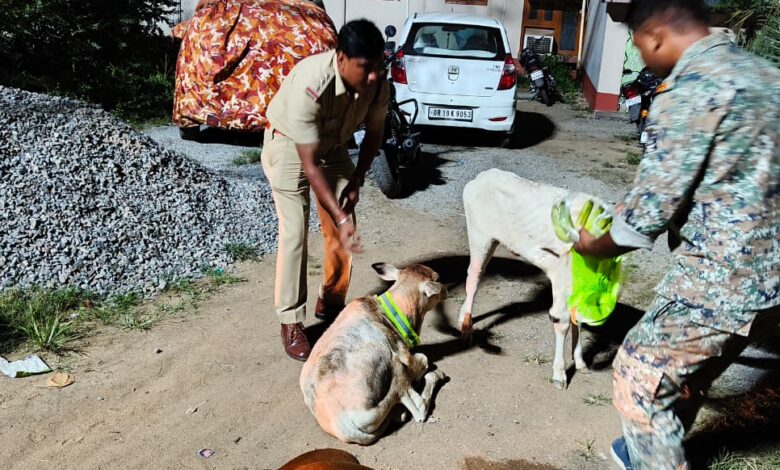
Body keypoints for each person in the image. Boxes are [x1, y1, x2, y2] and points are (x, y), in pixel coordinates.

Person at [557, 0, 780, 468]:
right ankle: (652, 448)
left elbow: (643, 222)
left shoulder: (687, 90)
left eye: (637, 43)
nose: (639, 55)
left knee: (639, 377)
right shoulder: (766, 76)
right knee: (685, 374)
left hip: (721, 282)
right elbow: (728, 175)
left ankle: (653, 457)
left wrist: (592, 245)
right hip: (772, 287)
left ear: (655, 36)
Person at [261, 19, 388, 361]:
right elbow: (309, 165)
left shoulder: (377, 82)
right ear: (341, 58)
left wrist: (357, 180)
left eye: (377, 67)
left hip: (333, 148)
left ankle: (331, 301)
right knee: (295, 232)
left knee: (345, 222)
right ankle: (290, 321)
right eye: (365, 67)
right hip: (290, 146)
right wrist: (339, 215)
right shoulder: (312, 83)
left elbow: (374, 134)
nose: (373, 76)